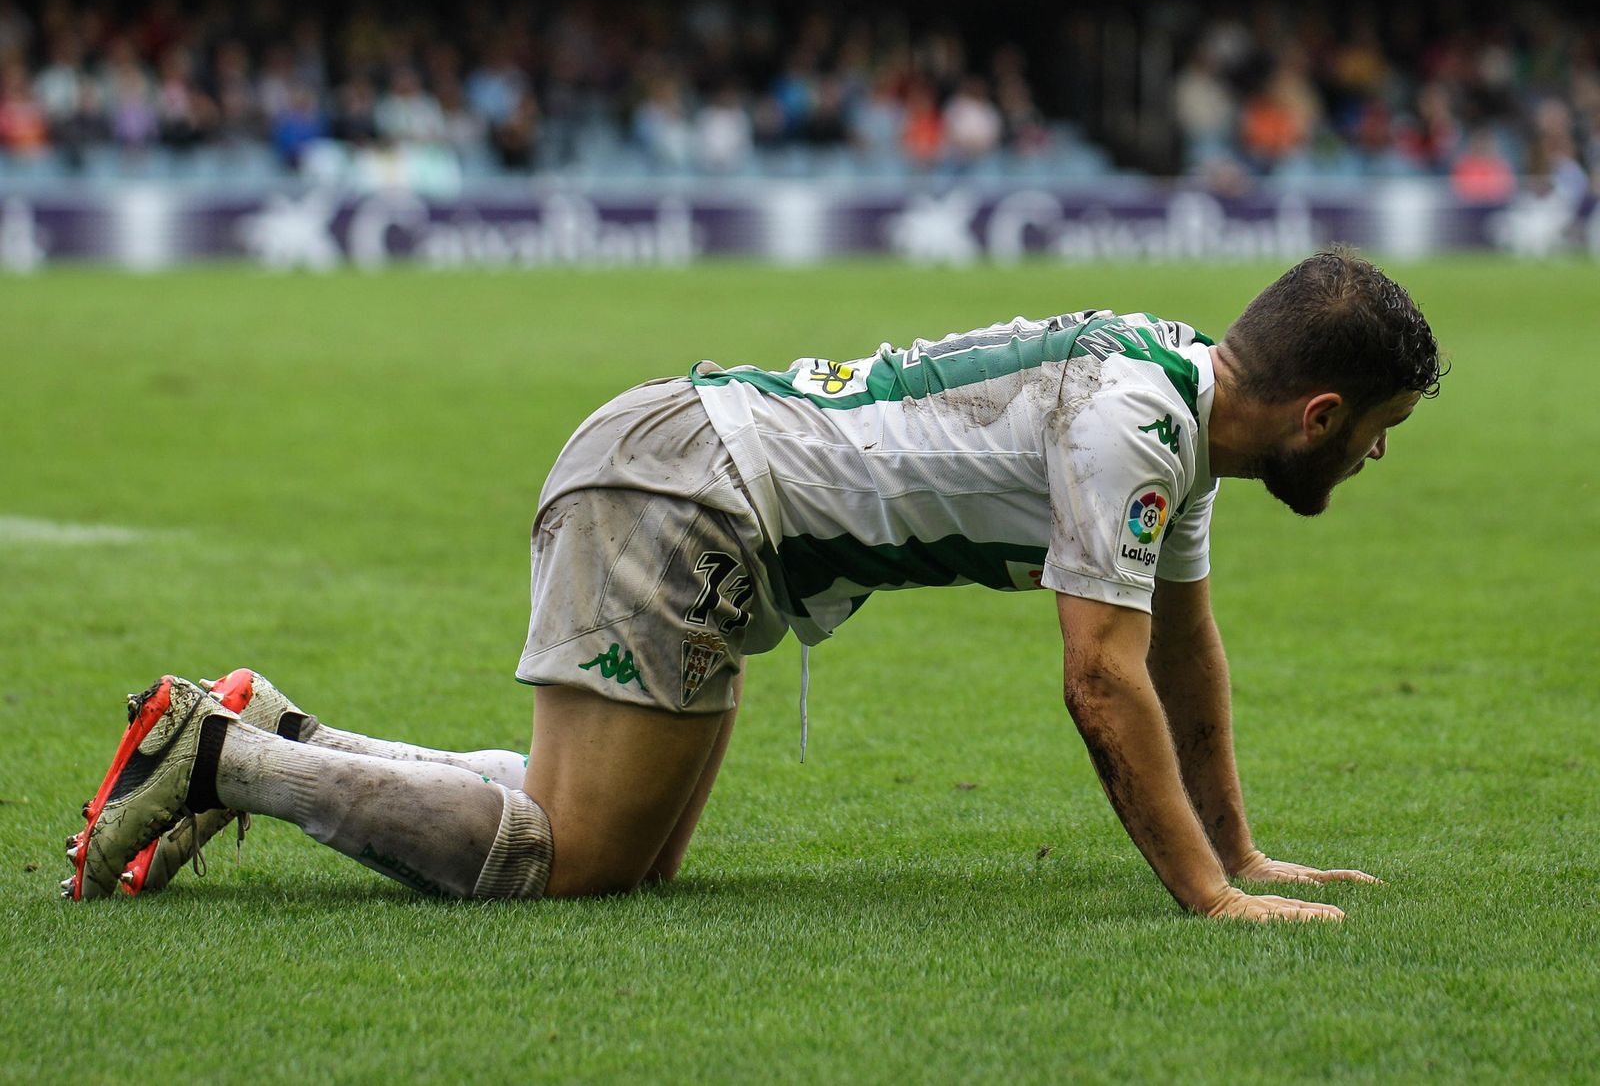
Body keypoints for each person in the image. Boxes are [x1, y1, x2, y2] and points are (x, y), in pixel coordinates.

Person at [65, 249, 1443, 922]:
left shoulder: (1173, 408)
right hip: (692, 495)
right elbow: (1100, 678)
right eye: (1381, 429)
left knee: (623, 854)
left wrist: (1244, 847)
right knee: (581, 862)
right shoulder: (1135, 427)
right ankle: (228, 764)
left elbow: (1182, 655)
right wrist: (1208, 900)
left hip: (698, 489)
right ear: (1319, 412)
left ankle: (272, 732)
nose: (1377, 456)